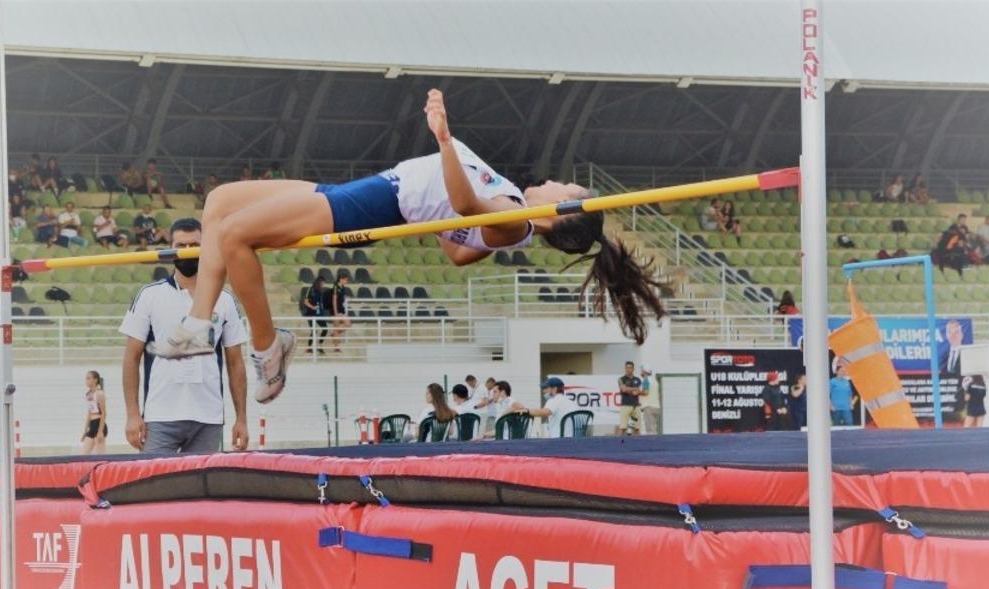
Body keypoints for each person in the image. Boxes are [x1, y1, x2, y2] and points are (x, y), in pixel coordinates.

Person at [148, 89, 666, 407]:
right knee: (219, 203)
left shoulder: (518, 219)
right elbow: (460, 250)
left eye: (566, 190)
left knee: (235, 234)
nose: (556, 181)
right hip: (383, 191)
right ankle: (199, 321)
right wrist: (433, 212)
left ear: (560, 214)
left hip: (378, 202)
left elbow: (464, 204)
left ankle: (267, 348)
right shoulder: (512, 218)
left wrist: (443, 139)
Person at [119, 218, 249, 454]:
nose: (188, 251)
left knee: (199, 489)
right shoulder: (150, 296)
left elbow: (235, 362)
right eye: (181, 245)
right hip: (160, 415)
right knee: (155, 487)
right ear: (171, 248)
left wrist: (241, 418)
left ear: (206, 246)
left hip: (208, 416)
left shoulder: (225, 299)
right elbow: (131, 358)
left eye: (194, 245)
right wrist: (132, 414)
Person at [80, 370, 107, 455]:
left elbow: (104, 413)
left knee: (98, 456)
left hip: (99, 425)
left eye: (88, 378)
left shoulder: (99, 394)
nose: (86, 381)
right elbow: (89, 413)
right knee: (83, 454)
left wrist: (100, 432)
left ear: (95, 380)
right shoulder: (88, 395)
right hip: (92, 425)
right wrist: (85, 430)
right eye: (86, 379)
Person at [301, 276, 330, 354]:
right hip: (310, 314)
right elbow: (305, 302)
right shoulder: (311, 289)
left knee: (325, 329)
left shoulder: (320, 291)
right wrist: (312, 307)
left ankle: (320, 345)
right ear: (319, 282)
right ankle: (309, 347)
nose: (324, 284)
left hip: (319, 314)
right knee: (314, 331)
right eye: (323, 283)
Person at [616, 361, 643, 436]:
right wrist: (634, 388)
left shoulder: (638, 379)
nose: (628, 369)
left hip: (636, 405)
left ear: (633, 369)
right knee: (623, 428)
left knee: (637, 428)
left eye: (630, 367)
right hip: (625, 405)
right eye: (627, 368)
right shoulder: (621, 379)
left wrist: (629, 389)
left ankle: (639, 446)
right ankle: (618, 445)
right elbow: (623, 389)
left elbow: (639, 391)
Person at [329, 272, 352, 353]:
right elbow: (334, 300)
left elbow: (341, 297)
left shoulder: (343, 287)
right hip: (335, 310)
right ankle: (336, 347)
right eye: (345, 280)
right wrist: (335, 313)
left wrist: (346, 297)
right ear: (341, 279)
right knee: (336, 327)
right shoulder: (335, 287)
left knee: (348, 324)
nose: (346, 282)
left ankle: (334, 333)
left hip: (341, 310)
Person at [638, 364, 662, 435]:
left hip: (649, 407)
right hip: (656, 407)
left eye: (642, 370)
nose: (641, 371)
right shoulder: (655, 381)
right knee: (653, 427)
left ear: (644, 371)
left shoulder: (646, 380)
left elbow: (646, 392)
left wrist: (637, 392)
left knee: (650, 429)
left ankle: (653, 444)